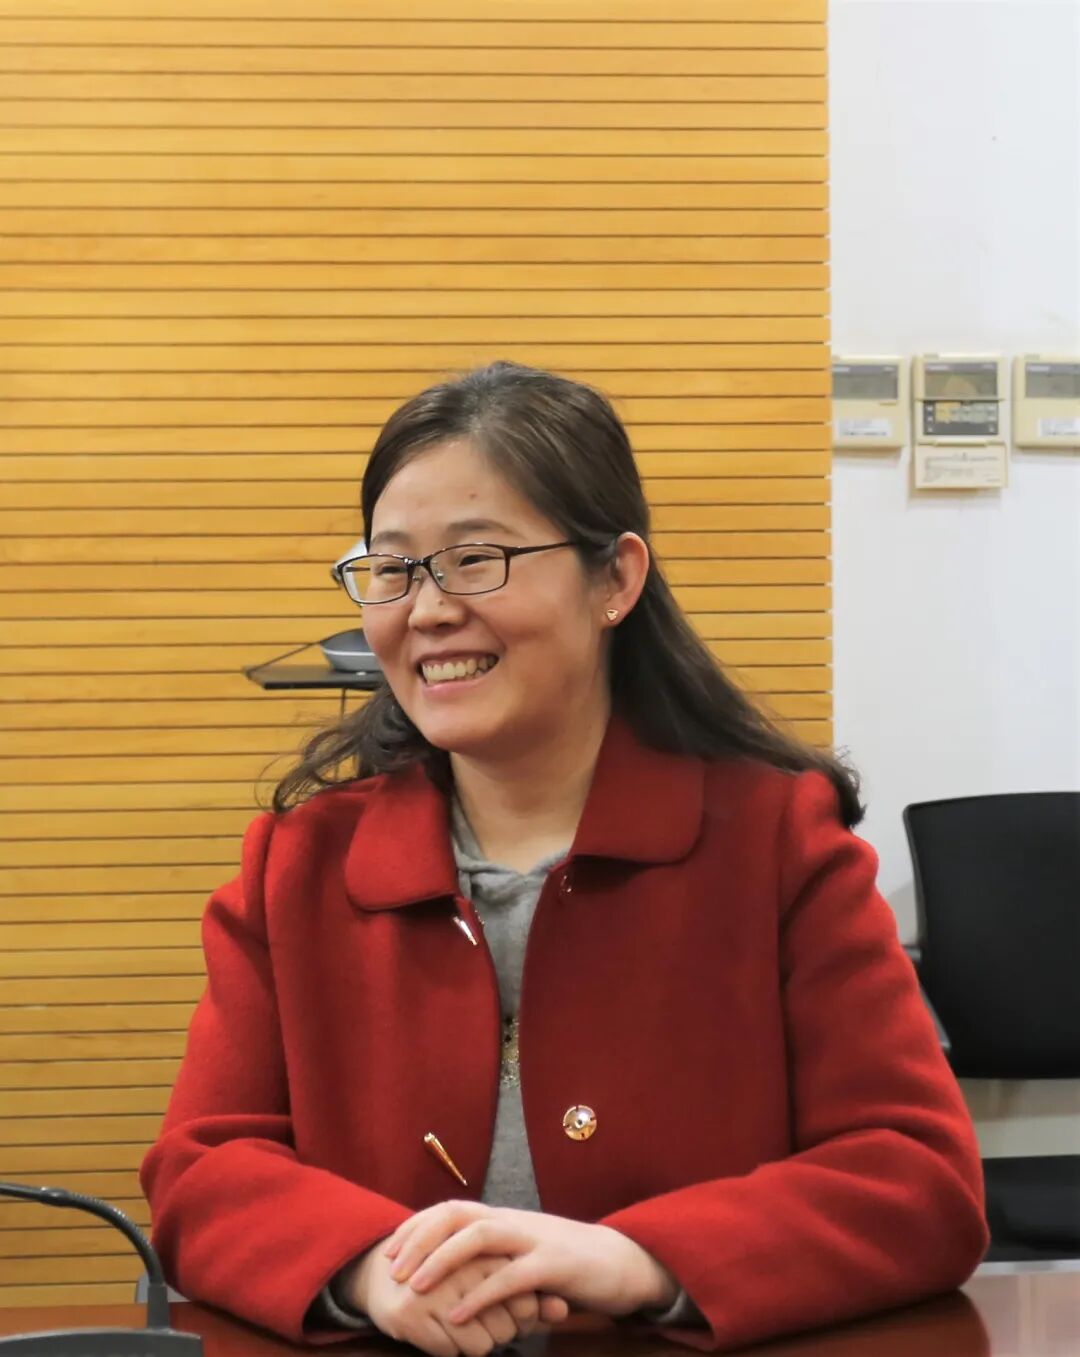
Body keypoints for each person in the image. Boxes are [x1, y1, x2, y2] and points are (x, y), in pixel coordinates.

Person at [140, 361, 988, 1354]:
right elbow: (201, 1171)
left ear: (615, 578)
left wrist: (641, 1258)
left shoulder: (777, 843)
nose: (427, 609)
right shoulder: (300, 868)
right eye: (394, 568)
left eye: (476, 558)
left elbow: (918, 1176)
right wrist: (370, 1267)